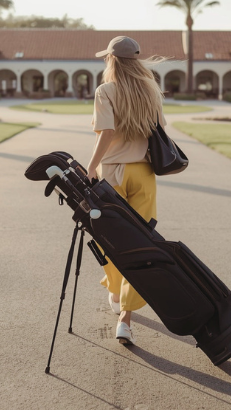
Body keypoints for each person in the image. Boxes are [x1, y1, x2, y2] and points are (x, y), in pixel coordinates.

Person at [87, 35, 166, 346]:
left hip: (112, 174)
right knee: (141, 244)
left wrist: (91, 166)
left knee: (109, 238)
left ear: (111, 60)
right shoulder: (151, 90)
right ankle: (125, 319)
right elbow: (160, 131)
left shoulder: (105, 91)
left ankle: (114, 289)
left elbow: (106, 133)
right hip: (144, 173)